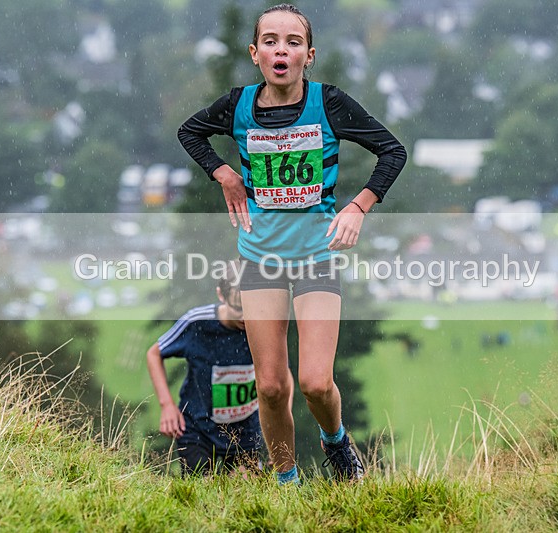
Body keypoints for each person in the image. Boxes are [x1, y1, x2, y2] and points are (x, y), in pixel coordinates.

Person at [178, 3, 406, 484]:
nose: (282, 49)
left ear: (309, 55)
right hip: (260, 260)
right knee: (272, 387)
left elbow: (392, 151)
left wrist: (358, 206)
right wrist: (225, 174)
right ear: (255, 53)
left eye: (293, 42)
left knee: (315, 383)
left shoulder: (329, 103)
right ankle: (286, 481)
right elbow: (191, 132)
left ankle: (336, 442)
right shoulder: (238, 106)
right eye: (271, 41)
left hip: (316, 258)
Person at [146, 270, 264, 475]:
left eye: (251, 307)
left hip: (246, 433)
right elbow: (154, 354)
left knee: (247, 495)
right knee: (201, 493)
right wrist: (167, 405)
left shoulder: (264, 326)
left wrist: (277, 434)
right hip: (196, 429)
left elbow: (281, 380)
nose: (246, 316)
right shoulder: (197, 323)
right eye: (238, 307)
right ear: (221, 295)